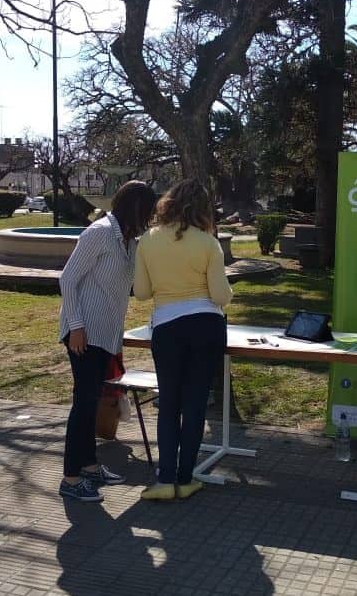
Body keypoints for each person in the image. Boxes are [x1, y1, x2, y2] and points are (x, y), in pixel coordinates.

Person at [58, 181, 158, 502]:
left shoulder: (128, 241)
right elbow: (68, 279)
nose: (150, 218)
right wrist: (76, 326)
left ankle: (89, 466)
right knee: (84, 404)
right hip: (83, 333)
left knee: (92, 403)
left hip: (105, 336)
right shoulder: (99, 232)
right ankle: (71, 479)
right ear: (135, 208)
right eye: (148, 211)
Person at [133, 179, 233, 501]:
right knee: (194, 406)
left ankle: (164, 480)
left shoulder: (147, 241)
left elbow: (143, 293)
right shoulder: (208, 243)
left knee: (169, 404)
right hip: (206, 327)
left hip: (167, 328)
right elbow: (221, 296)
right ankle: (186, 479)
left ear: (168, 203)